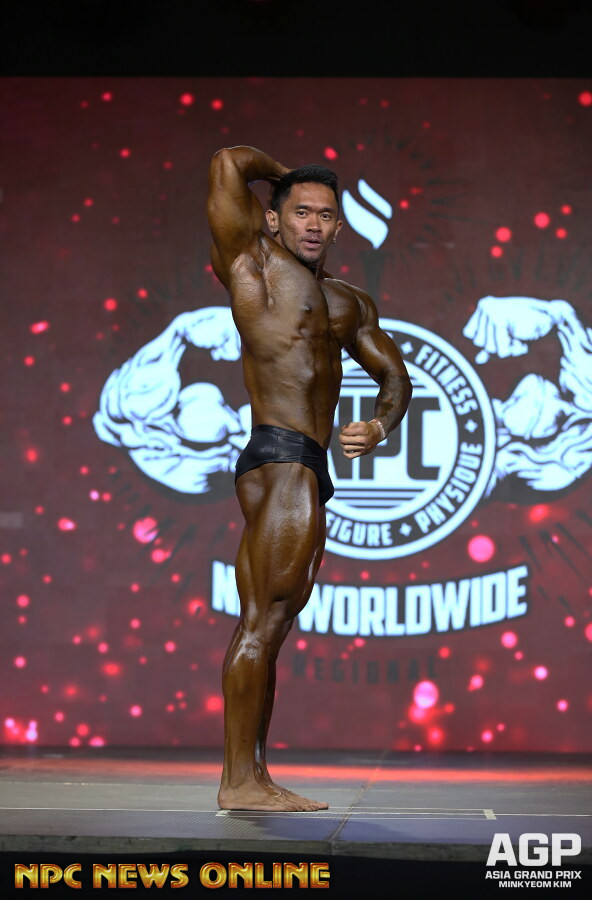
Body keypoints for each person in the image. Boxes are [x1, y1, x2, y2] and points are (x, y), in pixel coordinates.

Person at [207, 146, 413, 811]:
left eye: (326, 214)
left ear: (339, 226)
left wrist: (378, 426)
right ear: (273, 219)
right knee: (262, 620)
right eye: (301, 212)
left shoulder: (350, 302)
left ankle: (253, 775)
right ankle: (240, 782)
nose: (315, 224)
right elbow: (228, 164)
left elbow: (394, 376)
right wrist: (283, 174)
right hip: (281, 454)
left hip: (310, 464)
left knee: (272, 624)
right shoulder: (254, 265)